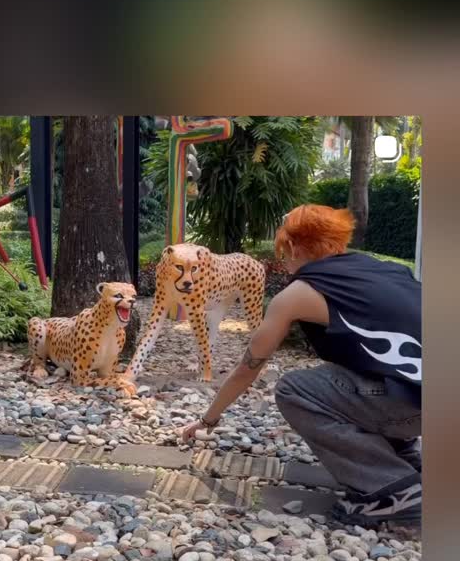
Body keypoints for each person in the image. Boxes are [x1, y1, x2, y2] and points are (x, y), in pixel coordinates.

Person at [180, 205, 422, 528]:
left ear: (293, 247)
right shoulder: (384, 270)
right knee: (355, 372)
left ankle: (393, 490)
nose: (285, 263)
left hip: (416, 406)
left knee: (295, 390)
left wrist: (207, 419)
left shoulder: (298, 294)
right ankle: (405, 461)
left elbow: (248, 368)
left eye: (283, 254)